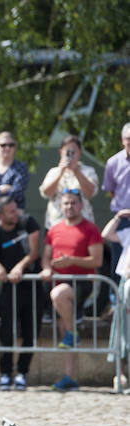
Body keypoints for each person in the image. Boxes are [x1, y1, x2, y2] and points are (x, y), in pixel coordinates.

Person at [40, 190, 103, 391]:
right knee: (64, 330)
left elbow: (97, 260)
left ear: (81, 205)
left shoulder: (91, 229)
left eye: (73, 203)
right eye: (66, 203)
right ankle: (70, 377)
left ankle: (72, 334)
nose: (69, 207)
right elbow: (46, 257)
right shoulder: (53, 230)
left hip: (81, 282)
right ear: (60, 206)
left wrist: (72, 261)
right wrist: (47, 268)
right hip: (58, 282)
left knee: (59, 296)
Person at [0, 196, 41, 391]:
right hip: (8, 289)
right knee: (6, 333)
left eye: (16, 210)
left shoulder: (27, 222)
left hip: (31, 287)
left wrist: (20, 266)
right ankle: (5, 373)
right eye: (11, 212)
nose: (16, 214)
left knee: (30, 332)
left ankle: (22, 373)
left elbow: (34, 252)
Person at [39, 135, 98, 228]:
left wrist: (76, 171)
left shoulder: (88, 171)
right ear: (61, 152)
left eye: (73, 151)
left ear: (80, 152)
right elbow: (46, 193)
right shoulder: (53, 172)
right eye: (67, 151)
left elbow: (90, 193)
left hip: (83, 225)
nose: (70, 155)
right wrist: (61, 171)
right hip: (56, 224)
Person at [101, 208, 130, 388]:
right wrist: (118, 217)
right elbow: (106, 234)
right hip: (124, 286)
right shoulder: (127, 233)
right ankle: (120, 374)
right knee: (121, 330)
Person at [102, 123, 130, 290]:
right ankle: (116, 302)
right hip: (122, 220)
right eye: (128, 139)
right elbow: (111, 190)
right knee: (118, 262)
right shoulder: (113, 162)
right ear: (122, 140)